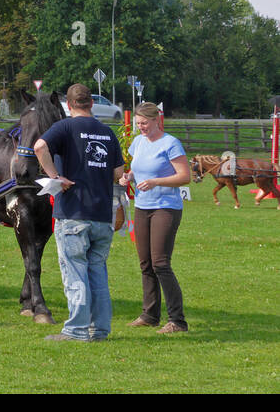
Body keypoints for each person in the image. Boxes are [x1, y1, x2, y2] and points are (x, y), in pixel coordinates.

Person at [32, 84, 125, 342]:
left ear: (68, 105)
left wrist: (54, 177)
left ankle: (76, 330)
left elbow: (40, 147)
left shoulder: (65, 127)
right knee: (97, 272)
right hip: (103, 215)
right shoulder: (107, 132)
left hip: (73, 213)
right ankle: (100, 330)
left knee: (75, 272)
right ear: (91, 104)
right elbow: (119, 174)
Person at [120, 101, 192, 334]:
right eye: (138, 123)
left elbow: (184, 177)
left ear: (156, 120)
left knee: (160, 262)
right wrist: (128, 177)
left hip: (166, 207)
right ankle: (150, 315)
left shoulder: (170, 143)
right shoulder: (138, 142)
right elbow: (136, 169)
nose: (141, 127)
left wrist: (156, 182)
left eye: (144, 123)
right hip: (142, 206)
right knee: (145, 263)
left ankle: (177, 321)